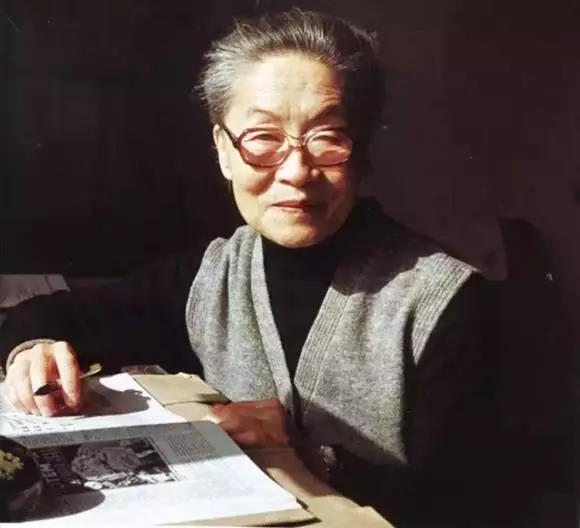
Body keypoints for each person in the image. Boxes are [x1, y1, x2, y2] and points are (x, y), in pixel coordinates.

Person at [0, 9, 516, 527]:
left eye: (327, 137)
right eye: (264, 138)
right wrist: (33, 350)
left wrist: (307, 454)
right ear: (224, 151)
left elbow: (469, 505)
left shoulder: (445, 300)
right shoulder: (213, 273)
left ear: (360, 154)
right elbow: (48, 316)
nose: (296, 172)